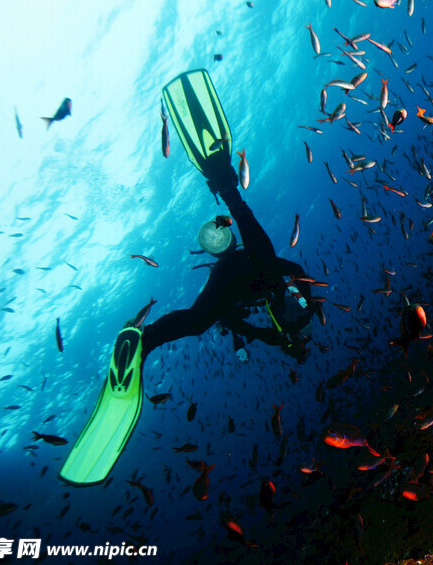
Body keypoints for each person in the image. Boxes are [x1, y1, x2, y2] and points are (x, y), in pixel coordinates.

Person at [59, 69, 314, 486]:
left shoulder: (244, 275)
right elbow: (282, 269)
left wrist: (282, 318)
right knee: (260, 271)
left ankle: (142, 344)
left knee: (197, 322)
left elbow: (228, 317)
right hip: (247, 267)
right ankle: (228, 191)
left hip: (231, 275)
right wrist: (291, 302)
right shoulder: (267, 277)